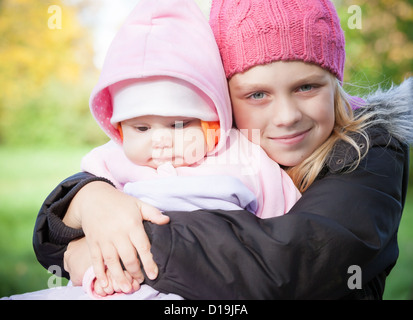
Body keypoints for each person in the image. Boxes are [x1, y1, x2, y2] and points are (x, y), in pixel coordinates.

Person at [33, 0, 412, 299]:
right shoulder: (216, 143)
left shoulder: (370, 152)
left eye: (307, 87)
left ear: (335, 84)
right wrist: (89, 200)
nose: (286, 116)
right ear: (221, 102)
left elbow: (290, 264)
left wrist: (123, 245)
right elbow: (59, 242)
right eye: (258, 94)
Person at [68, 0, 299, 297]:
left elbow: (286, 222)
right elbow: (78, 204)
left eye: (179, 125)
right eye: (141, 128)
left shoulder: (242, 156)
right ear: (118, 129)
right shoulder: (111, 161)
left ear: (214, 120)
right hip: (121, 285)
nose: (160, 140)